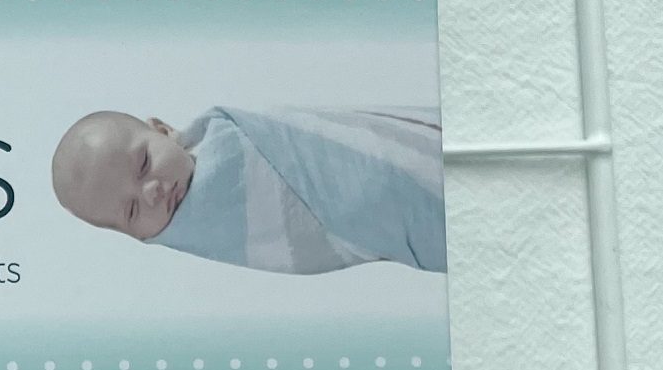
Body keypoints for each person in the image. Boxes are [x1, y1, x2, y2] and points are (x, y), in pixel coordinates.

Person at [50, 105, 446, 273]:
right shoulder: (194, 243)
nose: (152, 190)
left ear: (164, 130)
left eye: (144, 164)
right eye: (132, 210)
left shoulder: (235, 135)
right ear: (133, 236)